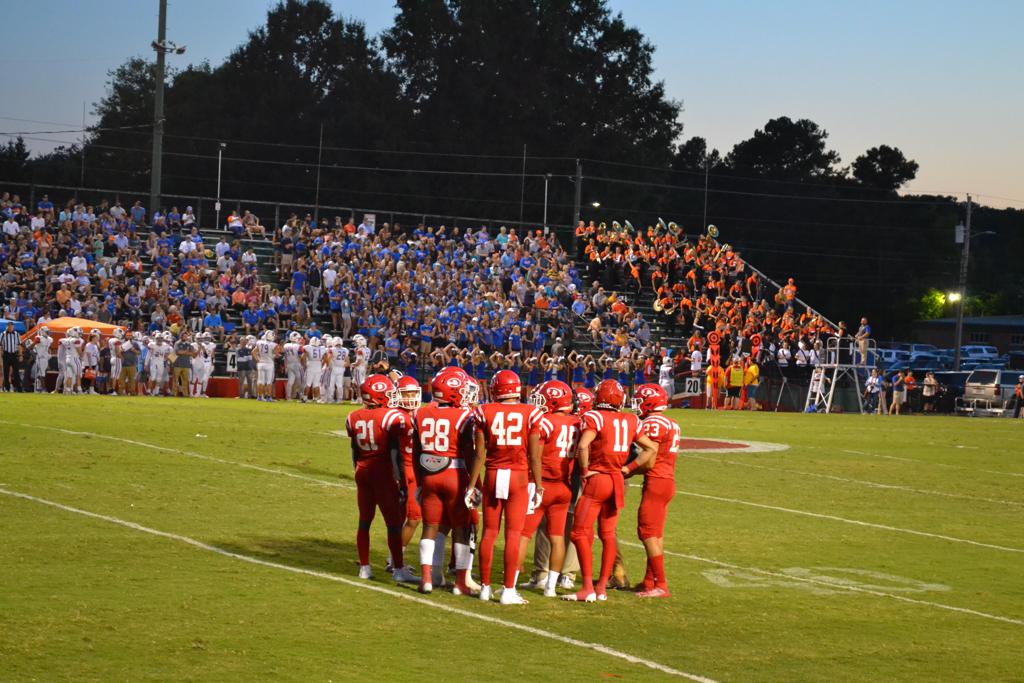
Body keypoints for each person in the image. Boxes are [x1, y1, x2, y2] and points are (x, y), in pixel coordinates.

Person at [564, 379, 656, 603]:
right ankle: (602, 588)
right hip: (616, 479)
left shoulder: (594, 417)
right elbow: (651, 447)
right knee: (607, 535)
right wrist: (629, 468)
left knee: (578, 533)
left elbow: (584, 445)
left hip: (598, 478)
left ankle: (587, 587)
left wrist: (585, 471)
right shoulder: (630, 420)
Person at [467, 369, 544, 604]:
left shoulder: (483, 411)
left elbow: (479, 454)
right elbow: (534, 457)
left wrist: (471, 485)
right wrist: (539, 486)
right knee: (513, 533)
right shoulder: (530, 412)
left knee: (489, 533)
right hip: (518, 477)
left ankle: (485, 588)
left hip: (492, 474)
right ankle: (508, 590)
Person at [345, 374, 417, 583]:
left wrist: (356, 469)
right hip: (383, 472)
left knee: (364, 521)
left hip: (362, 470)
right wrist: (401, 481)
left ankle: (365, 567)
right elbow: (396, 453)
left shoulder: (352, 416)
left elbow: (354, 451)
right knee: (393, 524)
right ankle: (398, 567)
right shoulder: (392, 417)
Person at [412, 367, 478, 595]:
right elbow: (470, 453)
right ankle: (461, 582)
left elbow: (416, 451)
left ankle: (427, 578)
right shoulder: (464, 416)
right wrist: (473, 484)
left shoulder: (420, 413)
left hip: (430, 474)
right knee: (460, 527)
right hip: (455, 474)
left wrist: (420, 481)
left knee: (431, 527)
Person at [518, 380, 580, 597]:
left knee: (523, 534)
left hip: (541, 484)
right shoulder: (577, 422)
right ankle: (551, 588)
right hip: (564, 486)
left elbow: (536, 455)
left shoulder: (545, 422)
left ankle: (511, 584)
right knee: (556, 537)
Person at [626, 384, 680, 598]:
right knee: (655, 533)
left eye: (640, 401)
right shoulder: (671, 422)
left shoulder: (654, 422)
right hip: (666, 481)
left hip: (657, 481)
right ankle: (650, 581)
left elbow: (649, 458)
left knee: (647, 532)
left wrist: (627, 470)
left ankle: (661, 585)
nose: (637, 405)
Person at [388, 375, 423, 568]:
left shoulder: (418, 414)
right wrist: (395, 473)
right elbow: (391, 448)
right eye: (406, 393)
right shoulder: (395, 416)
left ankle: (392, 559)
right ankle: (395, 560)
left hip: (414, 469)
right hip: (406, 471)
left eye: (412, 393)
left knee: (403, 518)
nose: (409, 397)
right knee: (414, 518)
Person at [254, 330, 278, 402]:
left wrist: (258, 360)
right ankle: (268, 397)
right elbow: (276, 354)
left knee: (260, 381)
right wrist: (274, 355)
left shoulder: (259, 342)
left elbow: (253, 352)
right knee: (268, 382)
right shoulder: (274, 344)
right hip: (269, 364)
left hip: (261, 363)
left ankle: (259, 397)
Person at [302, 336, 327, 403]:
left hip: (311, 364)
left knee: (308, 383)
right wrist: (321, 364)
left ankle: (304, 398)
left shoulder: (308, 347)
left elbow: (303, 357)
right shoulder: (322, 348)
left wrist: (304, 365)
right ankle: (316, 398)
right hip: (318, 364)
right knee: (316, 384)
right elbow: (325, 358)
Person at [172, 331, 194, 398]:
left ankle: (185, 394)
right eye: (184, 336)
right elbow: (178, 352)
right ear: (181, 336)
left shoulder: (188, 344)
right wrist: (186, 352)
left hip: (186, 364)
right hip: (177, 364)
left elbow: (192, 353)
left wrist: (184, 352)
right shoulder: (177, 343)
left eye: (186, 336)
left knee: (185, 380)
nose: (185, 337)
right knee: (175, 379)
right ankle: (175, 393)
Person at [1, 321, 20, 391]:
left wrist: (20, 355)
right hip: (6, 354)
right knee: (6, 371)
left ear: (13, 327)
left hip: (14, 354)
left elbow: (19, 345)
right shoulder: (3, 334)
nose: (10, 327)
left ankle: (18, 388)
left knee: (16, 371)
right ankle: (7, 388)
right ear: (7, 326)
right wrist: (0, 356)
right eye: (9, 326)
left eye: (11, 326)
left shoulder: (16, 334)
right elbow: (0, 346)